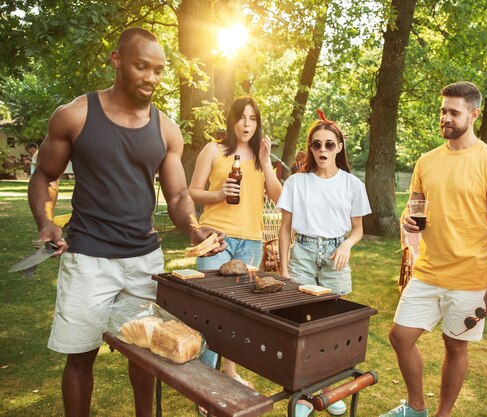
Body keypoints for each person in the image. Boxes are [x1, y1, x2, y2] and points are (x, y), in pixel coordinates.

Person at [27, 27, 226, 417]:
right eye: (141, 67)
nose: (151, 78)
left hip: (143, 262)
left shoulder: (166, 130)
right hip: (88, 260)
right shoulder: (75, 115)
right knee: (81, 358)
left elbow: (178, 196)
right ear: (116, 60)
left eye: (158, 70)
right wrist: (45, 222)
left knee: (148, 355)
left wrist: (193, 227)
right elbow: (44, 176)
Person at [383, 81, 487, 417]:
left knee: (455, 346)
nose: (445, 117)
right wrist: (408, 222)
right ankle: (416, 408)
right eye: (443, 110)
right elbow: (414, 206)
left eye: (453, 112)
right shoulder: (426, 161)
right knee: (400, 337)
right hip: (427, 271)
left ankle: (442, 414)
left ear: (473, 114)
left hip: (470, 277)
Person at [277, 109, 371, 416]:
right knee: (303, 326)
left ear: (339, 147)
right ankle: (303, 395)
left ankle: (329, 389)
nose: (322, 151)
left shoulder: (352, 185)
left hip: (335, 257)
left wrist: (346, 243)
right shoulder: (296, 182)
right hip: (303, 253)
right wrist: (284, 269)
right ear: (311, 148)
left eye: (329, 145)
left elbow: (358, 230)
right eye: (316, 145)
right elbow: (284, 229)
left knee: (334, 326)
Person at [188, 96, 282, 390]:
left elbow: (279, 197)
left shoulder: (260, 156)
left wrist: (266, 161)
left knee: (239, 312)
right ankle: (206, 381)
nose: (247, 124)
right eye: (242, 117)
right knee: (211, 309)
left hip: (251, 241)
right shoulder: (213, 149)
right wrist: (217, 194)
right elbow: (192, 192)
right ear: (232, 120)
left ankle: (229, 370)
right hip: (216, 238)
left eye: (253, 118)